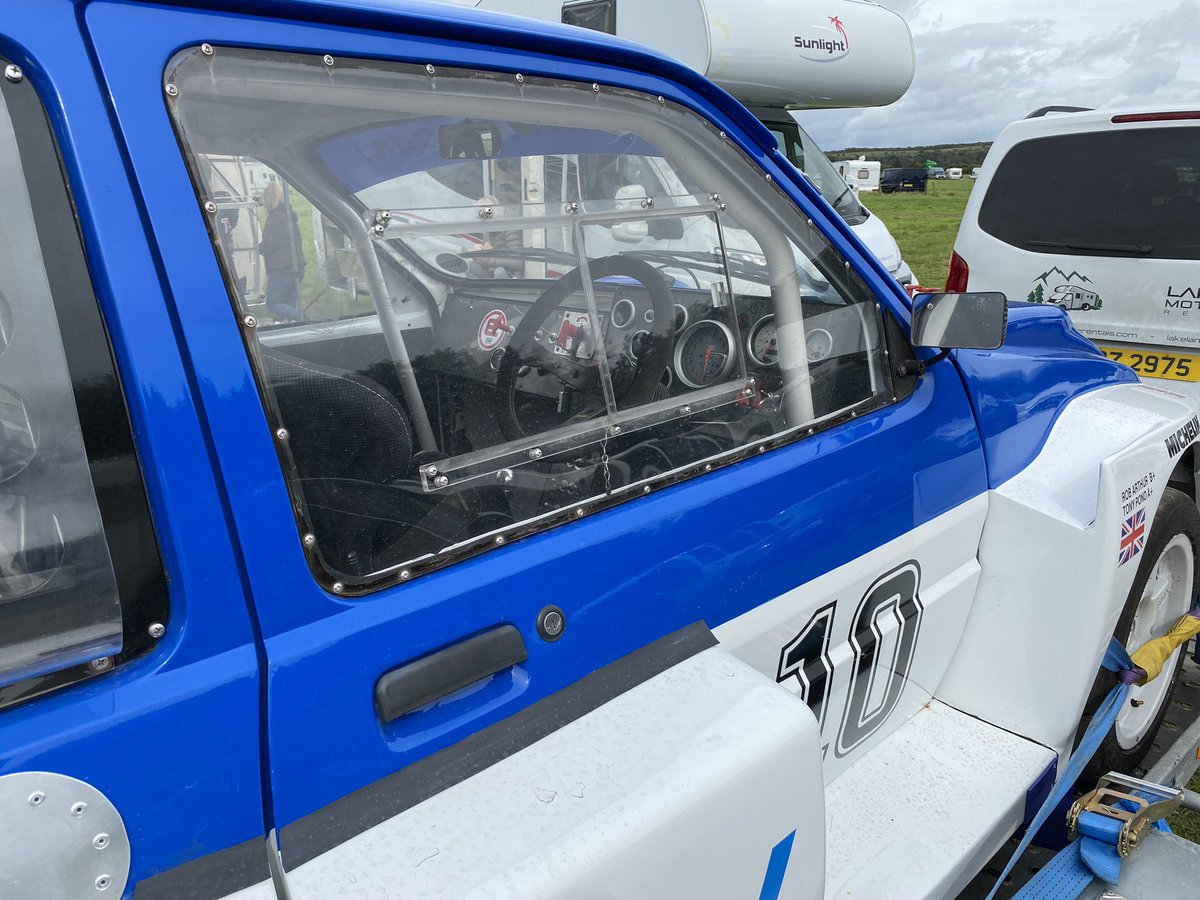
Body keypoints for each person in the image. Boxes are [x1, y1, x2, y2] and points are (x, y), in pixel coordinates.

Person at [259, 181, 305, 321]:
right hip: (297, 267)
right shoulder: (289, 216)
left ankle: (304, 319)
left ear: (268, 199)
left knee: (273, 303)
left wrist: (257, 248)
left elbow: (269, 245)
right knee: (288, 304)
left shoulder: (275, 218)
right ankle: (295, 327)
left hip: (281, 270)